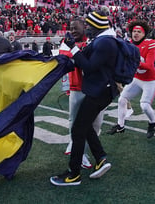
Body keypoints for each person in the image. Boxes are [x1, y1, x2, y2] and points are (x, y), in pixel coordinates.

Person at [50, 11, 119, 186]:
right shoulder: (103, 40)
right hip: (101, 90)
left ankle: (73, 175)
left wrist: (73, 48)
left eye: (89, 26)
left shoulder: (105, 42)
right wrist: (73, 50)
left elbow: (88, 67)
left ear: (96, 27)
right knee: (84, 125)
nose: (87, 29)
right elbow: (83, 58)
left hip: (100, 91)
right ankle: (101, 158)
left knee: (78, 129)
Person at [61, 18, 108, 169]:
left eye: (76, 28)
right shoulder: (66, 42)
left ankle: (84, 150)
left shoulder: (94, 41)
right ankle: (80, 154)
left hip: (95, 89)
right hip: (77, 87)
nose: (73, 31)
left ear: (84, 27)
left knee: (96, 124)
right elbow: (66, 59)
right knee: (75, 121)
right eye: (71, 28)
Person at [107, 20, 155, 138]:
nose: (136, 33)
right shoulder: (129, 44)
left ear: (144, 34)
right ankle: (120, 125)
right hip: (136, 78)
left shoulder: (149, 44)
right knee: (121, 100)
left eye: (139, 31)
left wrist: (134, 62)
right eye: (134, 31)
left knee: (144, 105)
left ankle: (152, 123)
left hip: (150, 80)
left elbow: (149, 66)